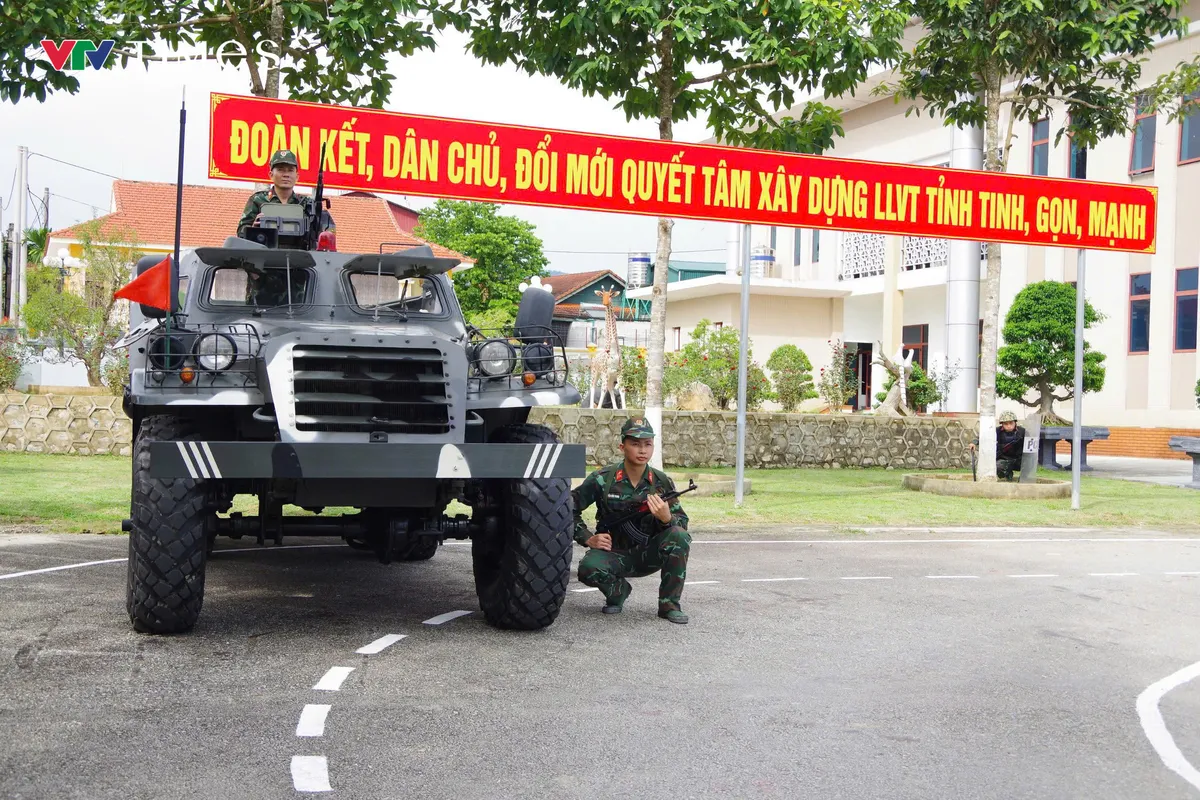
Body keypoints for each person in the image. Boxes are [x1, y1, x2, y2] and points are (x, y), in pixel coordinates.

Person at [571, 417, 692, 624]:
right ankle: (618, 591)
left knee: (679, 537)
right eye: (635, 444)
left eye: (648, 444)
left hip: (649, 554)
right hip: (613, 554)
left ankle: (669, 605)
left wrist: (666, 518)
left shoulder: (661, 482)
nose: (642, 450)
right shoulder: (603, 479)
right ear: (622, 446)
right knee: (588, 568)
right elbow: (566, 510)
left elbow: (682, 525)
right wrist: (588, 538)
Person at [236, 149, 334, 239]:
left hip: (299, 255)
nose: (286, 174)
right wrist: (252, 229)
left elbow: (322, 234)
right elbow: (241, 231)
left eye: (290, 170)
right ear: (271, 175)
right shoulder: (258, 199)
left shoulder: (307, 204)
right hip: (265, 253)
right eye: (280, 170)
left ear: (297, 176)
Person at [969, 410, 1027, 481]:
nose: (1009, 426)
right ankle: (1007, 475)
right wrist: (974, 443)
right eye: (1006, 424)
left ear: (1015, 422)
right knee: (997, 466)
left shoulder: (1023, 432)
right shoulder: (996, 431)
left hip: (1019, 459)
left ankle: (1024, 479)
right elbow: (984, 438)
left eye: (1011, 423)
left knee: (1029, 463)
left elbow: (1031, 444)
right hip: (1004, 459)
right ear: (1002, 424)